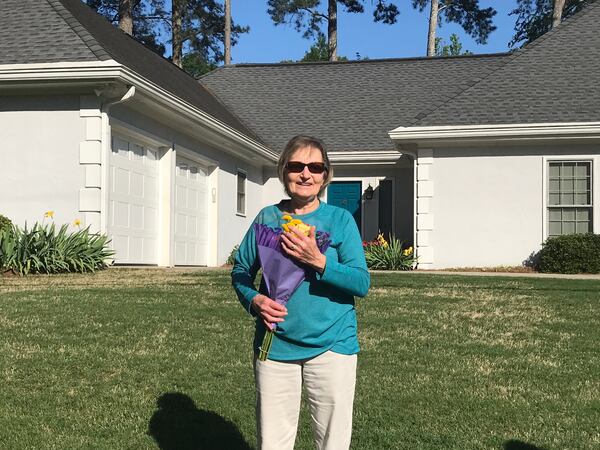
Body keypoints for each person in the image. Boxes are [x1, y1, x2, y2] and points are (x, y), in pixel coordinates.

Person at [231, 135, 370, 450]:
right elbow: (240, 271)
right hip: (275, 345)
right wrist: (254, 301)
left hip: (332, 345)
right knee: (273, 442)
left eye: (315, 167)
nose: (305, 174)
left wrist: (318, 261)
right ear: (284, 171)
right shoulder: (268, 218)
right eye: (296, 166)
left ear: (324, 176)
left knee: (332, 442)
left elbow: (361, 283)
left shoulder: (340, 220)